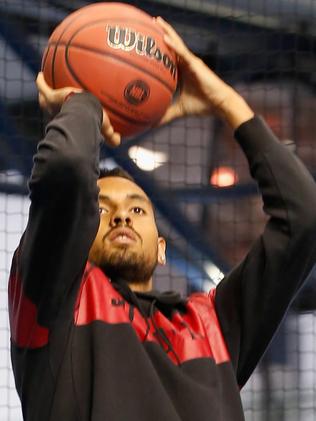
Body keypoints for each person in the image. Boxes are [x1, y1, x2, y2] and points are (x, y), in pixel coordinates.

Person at [8, 17, 316, 421]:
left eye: (137, 209)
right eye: (102, 210)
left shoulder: (212, 323)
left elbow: (303, 216)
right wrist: (84, 101)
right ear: (77, 238)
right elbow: (65, 167)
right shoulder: (55, 301)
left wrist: (225, 102)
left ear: (161, 248)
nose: (121, 216)